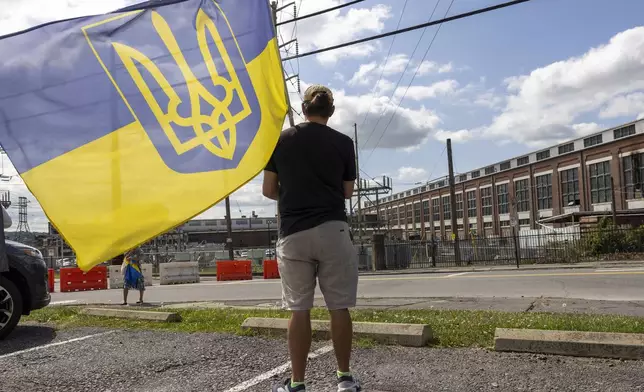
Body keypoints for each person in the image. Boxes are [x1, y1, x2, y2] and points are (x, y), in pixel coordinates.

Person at [263, 85, 360, 392]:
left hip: (294, 232)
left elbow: (268, 190)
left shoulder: (281, 140)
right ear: (330, 112)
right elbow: (346, 192)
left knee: (299, 309)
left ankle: (298, 383)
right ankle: (344, 379)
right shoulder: (344, 143)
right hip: (333, 228)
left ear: (303, 109)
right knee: (339, 307)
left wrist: (292, 194)